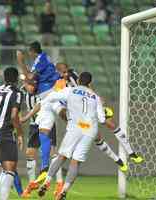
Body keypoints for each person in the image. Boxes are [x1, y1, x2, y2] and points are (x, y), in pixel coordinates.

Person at [37, 72, 105, 200]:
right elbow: (101, 119)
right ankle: (63, 191)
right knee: (75, 161)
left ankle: (46, 182)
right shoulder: (96, 97)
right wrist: (102, 110)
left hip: (76, 127)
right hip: (90, 130)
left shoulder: (71, 90)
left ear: (78, 80)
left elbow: (52, 97)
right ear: (90, 83)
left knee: (62, 156)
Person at [17, 41, 60, 188]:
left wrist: (21, 62)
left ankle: (99, 111)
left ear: (31, 51)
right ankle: (44, 168)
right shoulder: (42, 60)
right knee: (43, 130)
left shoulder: (40, 59)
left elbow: (29, 77)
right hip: (46, 98)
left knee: (66, 112)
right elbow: (31, 78)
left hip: (52, 91)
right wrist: (28, 117)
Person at [0, 67, 23, 200]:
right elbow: (14, 116)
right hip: (4, 134)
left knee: (6, 169)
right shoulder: (17, 92)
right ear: (17, 78)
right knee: (10, 169)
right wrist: (19, 134)